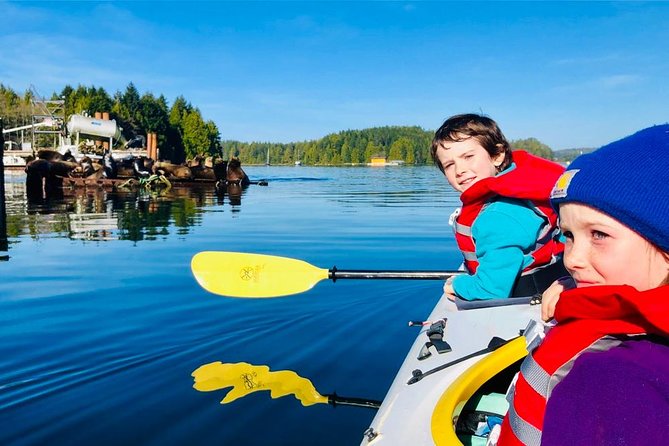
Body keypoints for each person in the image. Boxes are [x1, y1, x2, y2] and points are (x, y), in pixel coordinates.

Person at [498, 124, 669, 445]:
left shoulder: (613, 379)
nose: (573, 259)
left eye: (599, 235)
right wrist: (575, 293)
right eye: (568, 235)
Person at [430, 114, 566, 301]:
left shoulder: (498, 216)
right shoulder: (516, 192)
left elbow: (491, 290)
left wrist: (456, 285)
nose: (459, 170)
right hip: (549, 280)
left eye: (468, 156)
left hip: (522, 298)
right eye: (449, 164)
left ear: (497, 155)